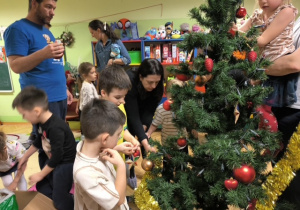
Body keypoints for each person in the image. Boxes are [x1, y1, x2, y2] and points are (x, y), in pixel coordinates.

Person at [3, 0, 73, 144]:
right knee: (48, 149)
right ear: (34, 3)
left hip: (59, 96)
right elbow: (15, 66)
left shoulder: (46, 31)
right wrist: (43, 53)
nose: (52, 12)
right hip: (43, 100)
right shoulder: (17, 29)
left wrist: (65, 88)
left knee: (60, 144)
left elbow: (54, 64)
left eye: (54, 8)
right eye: (48, 7)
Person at [12, 86, 76, 210]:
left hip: (64, 164)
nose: (23, 118)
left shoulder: (55, 127)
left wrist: (41, 174)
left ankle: (71, 204)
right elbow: (38, 141)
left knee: (60, 200)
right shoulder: (42, 123)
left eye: (24, 114)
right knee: (43, 187)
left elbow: (58, 156)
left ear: (36, 111)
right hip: (54, 160)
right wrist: (25, 157)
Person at [266, 16, 300, 208]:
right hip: (285, 106)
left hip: (296, 109)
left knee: (291, 173)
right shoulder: (296, 22)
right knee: (282, 168)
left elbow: (293, 64)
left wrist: (258, 69)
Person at [239, 0, 298, 108]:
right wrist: (234, 31)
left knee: (268, 110)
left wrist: (240, 35)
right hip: (263, 63)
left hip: (279, 60)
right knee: (258, 107)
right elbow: (240, 32)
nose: (264, 1)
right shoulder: (257, 14)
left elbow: (262, 41)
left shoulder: (286, 11)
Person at [73, 99, 129, 210]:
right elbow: (118, 200)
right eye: (118, 134)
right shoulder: (85, 173)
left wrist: (117, 148)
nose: (119, 137)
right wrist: (121, 166)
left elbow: (100, 154)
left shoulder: (88, 146)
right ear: (105, 139)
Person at [99, 65, 140, 189]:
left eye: (124, 97)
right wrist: (118, 148)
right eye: (118, 97)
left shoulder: (120, 107)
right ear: (103, 93)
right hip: (104, 167)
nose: (123, 101)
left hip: (118, 163)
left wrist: (132, 139)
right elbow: (96, 150)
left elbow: (123, 130)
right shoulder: (97, 115)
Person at [125, 58, 164, 154]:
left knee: (144, 137)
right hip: (128, 113)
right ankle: (130, 168)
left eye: (157, 82)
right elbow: (132, 115)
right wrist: (144, 140)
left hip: (143, 111)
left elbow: (150, 111)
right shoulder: (129, 81)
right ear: (141, 77)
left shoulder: (158, 86)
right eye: (150, 82)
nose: (154, 86)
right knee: (130, 146)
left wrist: (144, 126)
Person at [88, 19, 131, 90]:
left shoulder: (116, 42)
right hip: (105, 82)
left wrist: (113, 61)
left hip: (116, 80)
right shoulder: (97, 46)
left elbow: (128, 60)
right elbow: (99, 67)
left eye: (92, 33)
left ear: (98, 30)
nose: (92, 35)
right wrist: (98, 86)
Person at [146, 79, 186, 143]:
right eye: (172, 97)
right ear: (166, 93)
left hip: (182, 142)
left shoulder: (184, 108)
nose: (174, 100)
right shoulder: (161, 109)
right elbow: (155, 124)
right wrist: (148, 133)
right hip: (167, 143)